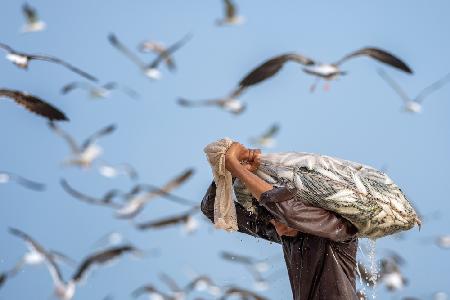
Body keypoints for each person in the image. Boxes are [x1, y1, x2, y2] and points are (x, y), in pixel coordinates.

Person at [201, 143, 359, 300]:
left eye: (275, 213)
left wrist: (235, 166)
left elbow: (289, 212)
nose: (276, 224)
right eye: (271, 216)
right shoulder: (281, 231)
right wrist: (231, 172)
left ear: (303, 202)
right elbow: (213, 209)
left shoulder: (336, 226)